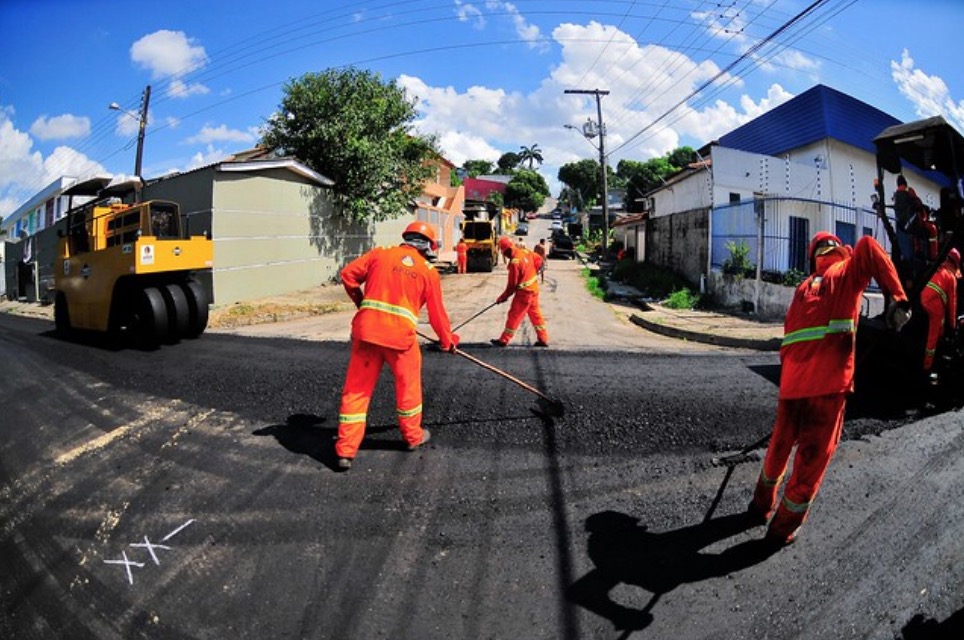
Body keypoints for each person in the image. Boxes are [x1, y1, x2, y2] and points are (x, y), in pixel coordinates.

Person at [748, 231, 911, 547]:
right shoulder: (847, 271)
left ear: (814, 257)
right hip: (828, 386)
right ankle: (782, 528)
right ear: (842, 250)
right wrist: (899, 298)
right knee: (811, 458)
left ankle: (760, 504)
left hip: (791, 385)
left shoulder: (802, 288)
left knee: (780, 446)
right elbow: (868, 247)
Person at [335, 221, 459, 471]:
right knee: (408, 388)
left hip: (367, 333)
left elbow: (348, 275)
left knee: (356, 391)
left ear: (406, 239)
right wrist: (448, 341)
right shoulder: (428, 271)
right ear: (428, 248)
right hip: (400, 340)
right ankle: (412, 437)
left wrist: (362, 304)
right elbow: (438, 315)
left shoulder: (380, 254)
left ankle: (346, 451)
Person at [490, 236, 549, 347]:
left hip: (524, 293)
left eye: (504, 253)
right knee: (535, 314)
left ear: (507, 250)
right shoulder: (526, 252)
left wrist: (502, 297)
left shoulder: (515, 263)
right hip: (534, 289)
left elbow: (512, 286)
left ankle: (504, 340)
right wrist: (531, 273)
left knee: (514, 315)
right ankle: (543, 338)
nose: (505, 256)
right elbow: (539, 260)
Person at [921, 248, 960, 374]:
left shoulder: (938, 269)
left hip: (924, 298)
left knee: (940, 322)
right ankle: (927, 365)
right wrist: (953, 327)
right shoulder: (952, 278)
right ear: (955, 264)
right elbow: (952, 305)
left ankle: (941, 337)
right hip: (933, 303)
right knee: (933, 334)